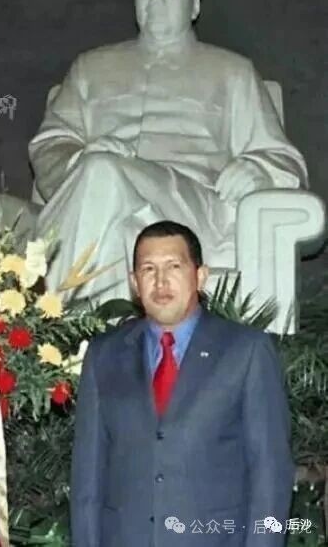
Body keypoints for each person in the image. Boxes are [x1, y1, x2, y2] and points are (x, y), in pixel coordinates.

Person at [29, 0, 307, 303]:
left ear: (194, 5)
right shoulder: (90, 68)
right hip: (99, 188)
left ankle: (58, 323)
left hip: (190, 204)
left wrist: (258, 170)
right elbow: (50, 143)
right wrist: (77, 159)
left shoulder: (232, 72)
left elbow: (285, 161)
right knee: (100, 173)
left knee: (101, 171)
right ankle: (91, 323)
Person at [70, 220, 294, 547]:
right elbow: (87, 480)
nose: (161, 281)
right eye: (148, 269)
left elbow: (270, 475)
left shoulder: (246, 351)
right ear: (134, 283)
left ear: (200, 276)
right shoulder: (104, 355)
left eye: (174, 266)